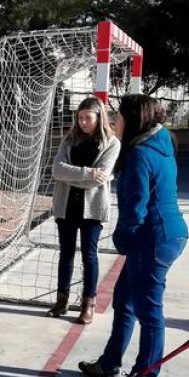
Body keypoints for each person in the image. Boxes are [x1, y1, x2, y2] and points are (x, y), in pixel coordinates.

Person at [79, 95, 187, 377]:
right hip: (159, 235)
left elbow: (136, 206)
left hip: (154, 238)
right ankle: (109, 363)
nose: (115, 122)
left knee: (148, 309)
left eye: (119, 116)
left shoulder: (141, 154)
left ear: (133, 119)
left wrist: (123, 238)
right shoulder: (159, 145)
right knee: (124, 299)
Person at [48, 97, 120, 324]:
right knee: (65, 254)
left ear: (99, 117)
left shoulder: (111, 143)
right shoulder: (69, 140)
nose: (83, 122)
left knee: (89, 256)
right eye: (80, 118)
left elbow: (101, 179)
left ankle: (88, 304)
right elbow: (57, 170)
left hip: (92, 209)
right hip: (66, 206)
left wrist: (74, 176)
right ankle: (61, 301)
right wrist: (88, 173)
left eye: (88, 118)